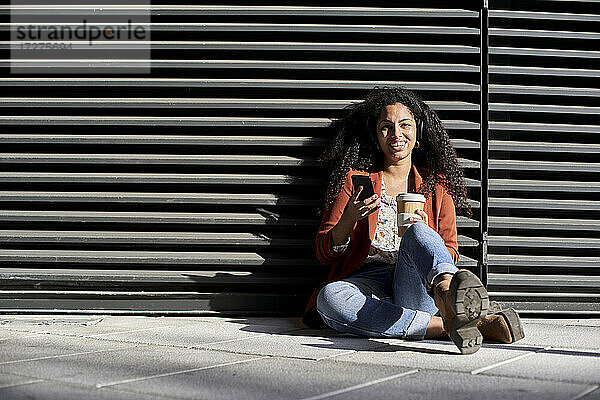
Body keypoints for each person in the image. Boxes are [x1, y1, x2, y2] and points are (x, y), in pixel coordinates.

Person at [303, 87, 524, 354]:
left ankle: (445, 294)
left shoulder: (436, 186)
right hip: (367, 284)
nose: (396, 133)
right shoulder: (354, 181)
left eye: (405, 125)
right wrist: (349, 218)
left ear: (417, 132)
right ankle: (453, 324)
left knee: (419, 233)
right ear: (376, 136)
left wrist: (425, 233)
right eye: (386, 127)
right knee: (330, 299)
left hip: (418, 285)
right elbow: (323, 253)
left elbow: (451, 253)